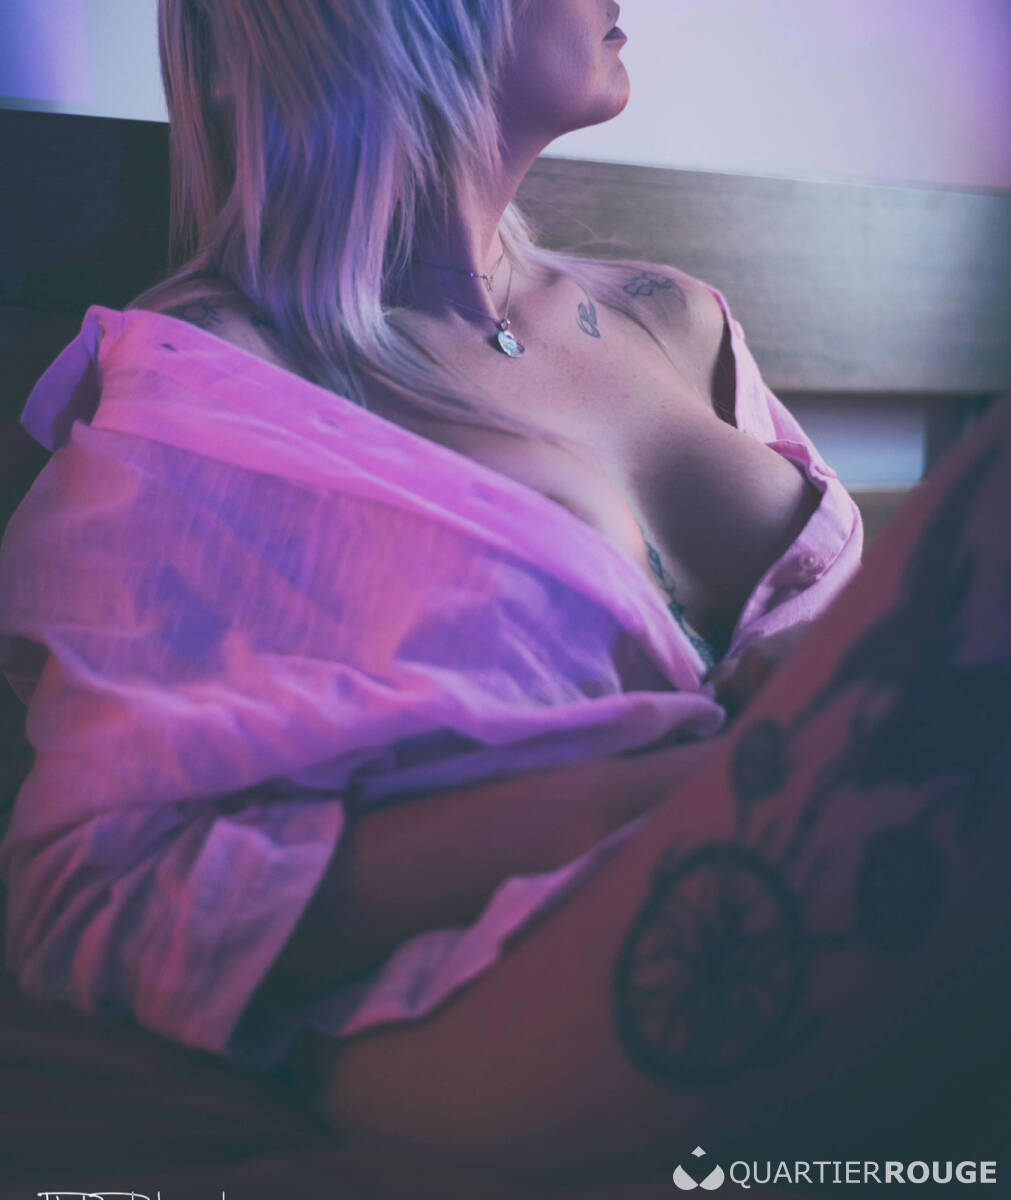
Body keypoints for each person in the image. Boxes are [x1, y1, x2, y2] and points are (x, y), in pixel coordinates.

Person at [1, 0, 1005, 1181]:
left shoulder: (674, 321)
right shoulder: (215, 388)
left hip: (827, 872)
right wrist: (659, 792)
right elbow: (98, 887)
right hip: (514, 997)